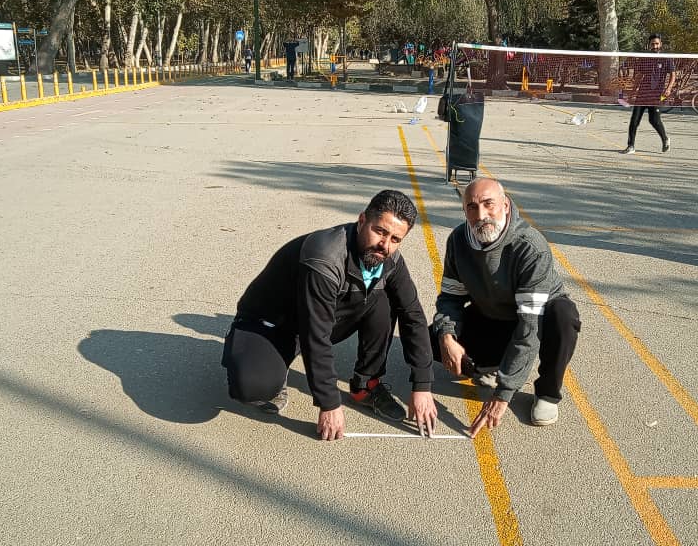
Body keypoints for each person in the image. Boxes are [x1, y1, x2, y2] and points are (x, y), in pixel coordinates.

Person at [222, 190, 438, 441]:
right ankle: (250, 350)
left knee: (385, 300)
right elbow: (316, 334)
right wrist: (329, 402)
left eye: (395, 239)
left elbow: (413, 315)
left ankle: (366, 385)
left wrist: (422, 386)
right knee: (251, 387)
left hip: (317, 318)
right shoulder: (324, 256)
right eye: (380, 231)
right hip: (272, 323)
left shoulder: (390, 259)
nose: (385, 245)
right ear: (362, 220)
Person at [431, 178, 581, 438]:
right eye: (472, 207)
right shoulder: (458, 240)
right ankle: (490, 366)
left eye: (489, 204)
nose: (481, 215)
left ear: (506, 205)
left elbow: (529, 327)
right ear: (464, 211)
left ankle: (547, 393)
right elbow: (450, 298)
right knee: (429, 341)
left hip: (537, 317)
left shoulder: (530, 247)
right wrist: (447, 336)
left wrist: (504, 393)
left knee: (563, 315)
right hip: (494, 313)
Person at [621, 33, 675, 155]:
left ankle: (665, 139)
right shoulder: (645, 58)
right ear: (649, 45)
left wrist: (669, 88)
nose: (655, 46)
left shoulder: (666, 59)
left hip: (656, 95)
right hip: (642, 93)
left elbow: (673, 75)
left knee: (654, 120)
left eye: (657, 43)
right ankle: (631, 146)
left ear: (660, 44)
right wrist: (632, 92)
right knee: (634, 120)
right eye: (652, 44)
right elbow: (639, 76)